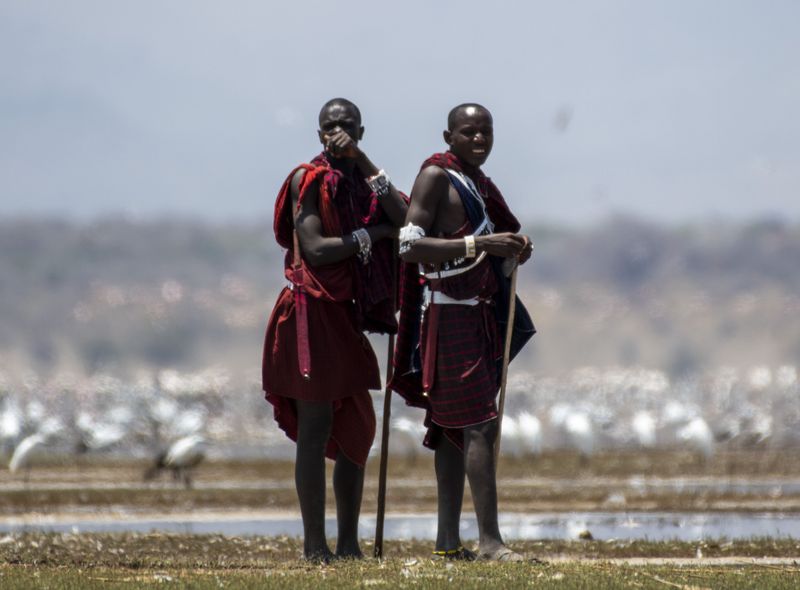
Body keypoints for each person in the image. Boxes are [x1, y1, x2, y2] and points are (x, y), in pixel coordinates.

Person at [262, 98, 407, 561]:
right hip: (310, 312)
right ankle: (315, 546)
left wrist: (362, 161)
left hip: (345, 315)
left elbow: (404, 218)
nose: (337, 131)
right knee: (316, 423)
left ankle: (348, 543)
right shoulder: (309, 178)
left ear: (360, 131)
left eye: (346, 125)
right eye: (329, 126)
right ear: (318, 132)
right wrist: (373, 235)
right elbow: (317, 248)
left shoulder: (364, 178)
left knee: (358, 427)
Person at [390, 103, 535, 561]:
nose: (479, 140)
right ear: (448, 136)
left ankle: (448, 544)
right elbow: (408, 246)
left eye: (486, 132)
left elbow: (496, 238)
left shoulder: (478, 184)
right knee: (479, 427)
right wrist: (480, 243)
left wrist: (513, 247)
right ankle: (490, 543)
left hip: (479, 316)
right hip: (448, 316)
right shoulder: (436, 177)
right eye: (469, 132)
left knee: (454, 429)